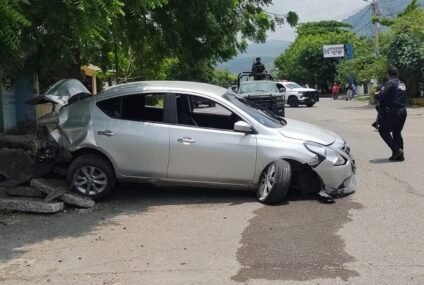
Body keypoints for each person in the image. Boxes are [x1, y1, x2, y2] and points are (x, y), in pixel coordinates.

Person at [375, 66, 407, 161]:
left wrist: (376, 94)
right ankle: (400, 155)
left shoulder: (390, 83)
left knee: (383, 130)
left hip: (393, 111)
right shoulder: (401, 83)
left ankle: (397, 150)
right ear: (398, 74)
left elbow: (381, 96)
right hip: (403, 111)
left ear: (388, 75)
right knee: (397, 132)